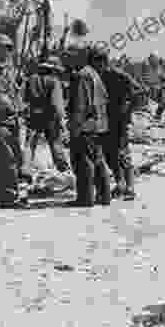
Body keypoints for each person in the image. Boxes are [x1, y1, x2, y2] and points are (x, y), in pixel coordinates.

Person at [0, 33, 30, 208]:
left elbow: (17, 93)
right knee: (6, 160)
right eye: (4, 48)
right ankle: (9, 198)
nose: (8, 52)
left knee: (18, 159)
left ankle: (15, 194)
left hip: (14, 120)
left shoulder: (9, 70)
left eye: (9, 48)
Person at [64, 43, 111, 207]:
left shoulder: (83, 75)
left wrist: (75, 128)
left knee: (83, 162)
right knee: (98, 161)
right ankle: (104, 196)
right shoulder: (96, 76)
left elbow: (80, 105)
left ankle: (85, 198)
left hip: (85, 126)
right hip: (97, 126)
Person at [94, 50, 144, 200]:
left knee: (122, 153)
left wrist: (128, 108)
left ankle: (130, 187)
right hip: (104, 121)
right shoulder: (97, 76)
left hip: (119, 121)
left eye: (97, 63)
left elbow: (140, 91)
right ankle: (120, 184)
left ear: (102, 62)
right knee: (109, 154)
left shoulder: (118, 75)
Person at [24, 55, 71, 173]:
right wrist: (62, 122)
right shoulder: (54, 81)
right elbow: (57, 104)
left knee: (30, 145)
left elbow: (24, 98)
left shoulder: (31, 79)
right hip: (50, 118)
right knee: (55, 144)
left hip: (33, 115)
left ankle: (25, 170)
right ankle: (63, 170)